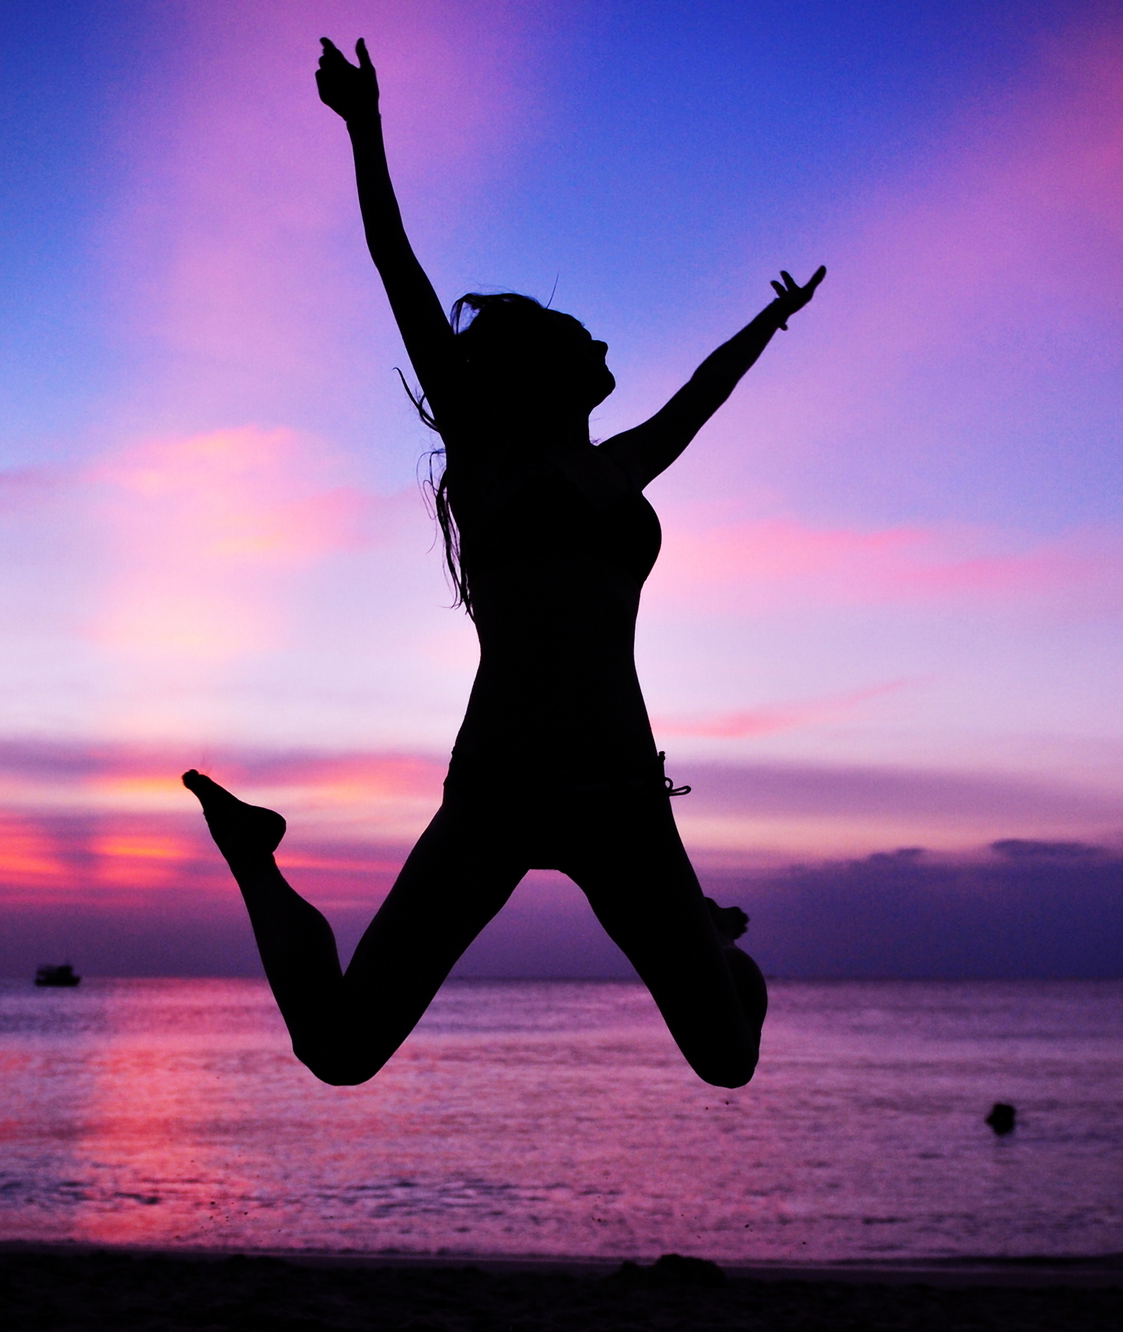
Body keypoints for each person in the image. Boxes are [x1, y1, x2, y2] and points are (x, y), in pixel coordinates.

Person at [183, 38, 823, 1088]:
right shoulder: (486, 459)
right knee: (339, 1050)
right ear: (541, 369)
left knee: (727, 1058)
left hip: (622, 794)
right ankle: (253, 854)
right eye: (585, 340)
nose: (605, 349)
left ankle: (715, 946)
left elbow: (703, 393)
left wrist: (772, 318)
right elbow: (397, 265)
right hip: (498, 790)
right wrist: (364, 127)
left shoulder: (621, 466)